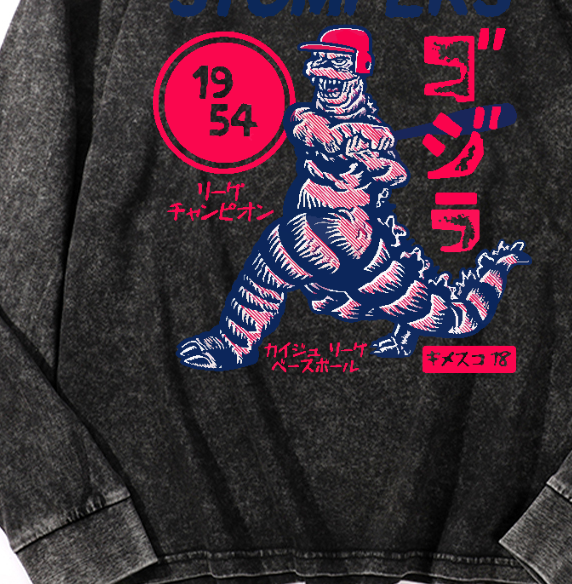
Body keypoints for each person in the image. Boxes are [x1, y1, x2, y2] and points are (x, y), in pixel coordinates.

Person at [177, 26, 530, 371]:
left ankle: (495, 270)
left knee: (456, 319)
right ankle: (235, 344)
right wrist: (343, 136)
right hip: (314, 237)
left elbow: (397, 174)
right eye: (320, 62)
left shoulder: (375, 134)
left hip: (352, 239)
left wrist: (372, 159)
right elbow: (307, 129)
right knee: (293, 283)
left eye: (338, 63)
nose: (325, 74)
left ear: (360, 69)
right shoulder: (308, 115)